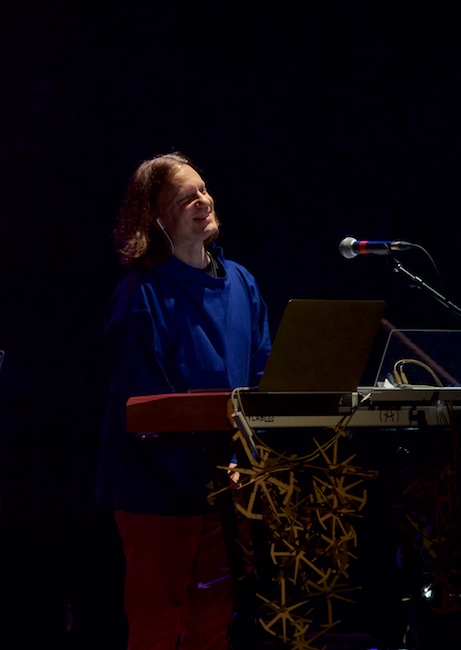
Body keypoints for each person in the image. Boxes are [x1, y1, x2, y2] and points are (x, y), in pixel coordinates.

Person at [96, 152, 272, 649]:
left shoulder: (240, 281)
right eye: (185, 198)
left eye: (203, 189)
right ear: (157, 218)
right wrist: (217, 463)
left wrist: (246, 461)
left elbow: (262, 375)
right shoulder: (142, 293)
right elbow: (146, 402)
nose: (202, 201)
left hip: (226, 487)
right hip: (156, 490)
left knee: (212, 625)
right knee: (157, 626)